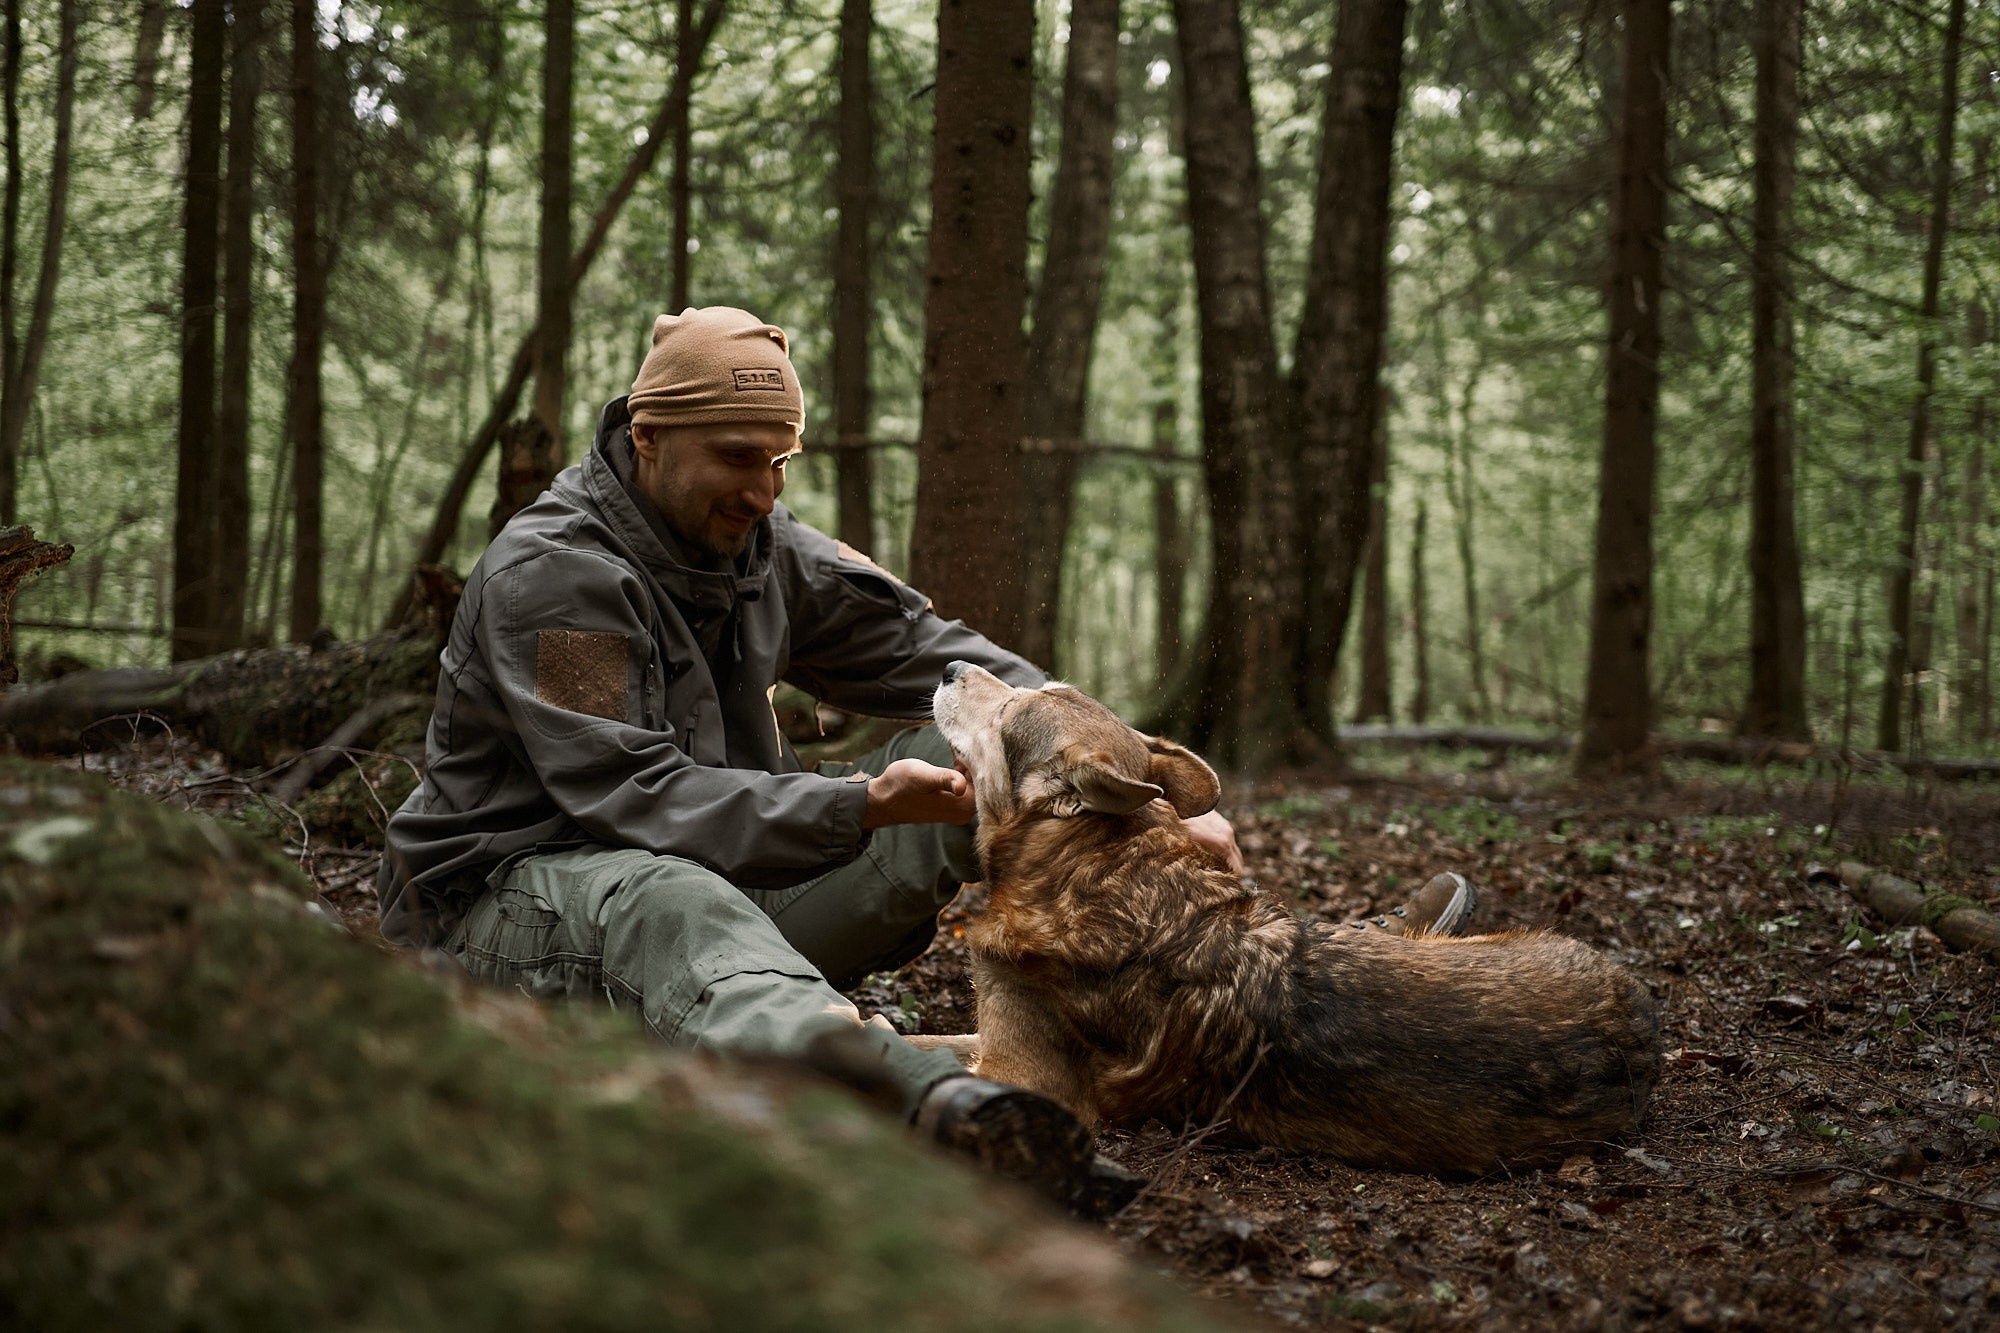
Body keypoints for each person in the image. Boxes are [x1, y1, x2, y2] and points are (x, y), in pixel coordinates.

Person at [377, 305, 1465, 1206]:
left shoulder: (759, 546)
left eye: (780, 462)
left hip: (705, 895)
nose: (763, 490)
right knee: (673, 896)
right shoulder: (555, 574)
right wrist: (854, 807)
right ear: (648, 436)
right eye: (737, 459)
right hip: (501, 915)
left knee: (976, 774)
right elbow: (633, 799)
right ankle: (945, 1113)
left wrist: (1140, 797)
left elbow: (947, 664)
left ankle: (1294, 1002)